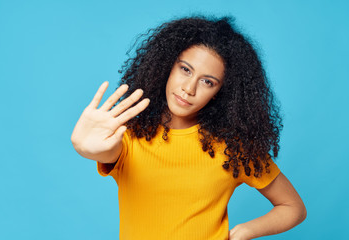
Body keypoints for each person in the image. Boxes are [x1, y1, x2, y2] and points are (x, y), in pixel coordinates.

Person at [71, 16, 306, 239]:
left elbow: (293, 207)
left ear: (219, 93)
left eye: (207, 82)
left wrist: (245, 231)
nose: (189, 88)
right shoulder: (131, 135)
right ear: (167, 66)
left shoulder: (233, 148)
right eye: (185, 69)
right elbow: (104, 151)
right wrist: (84, 146)